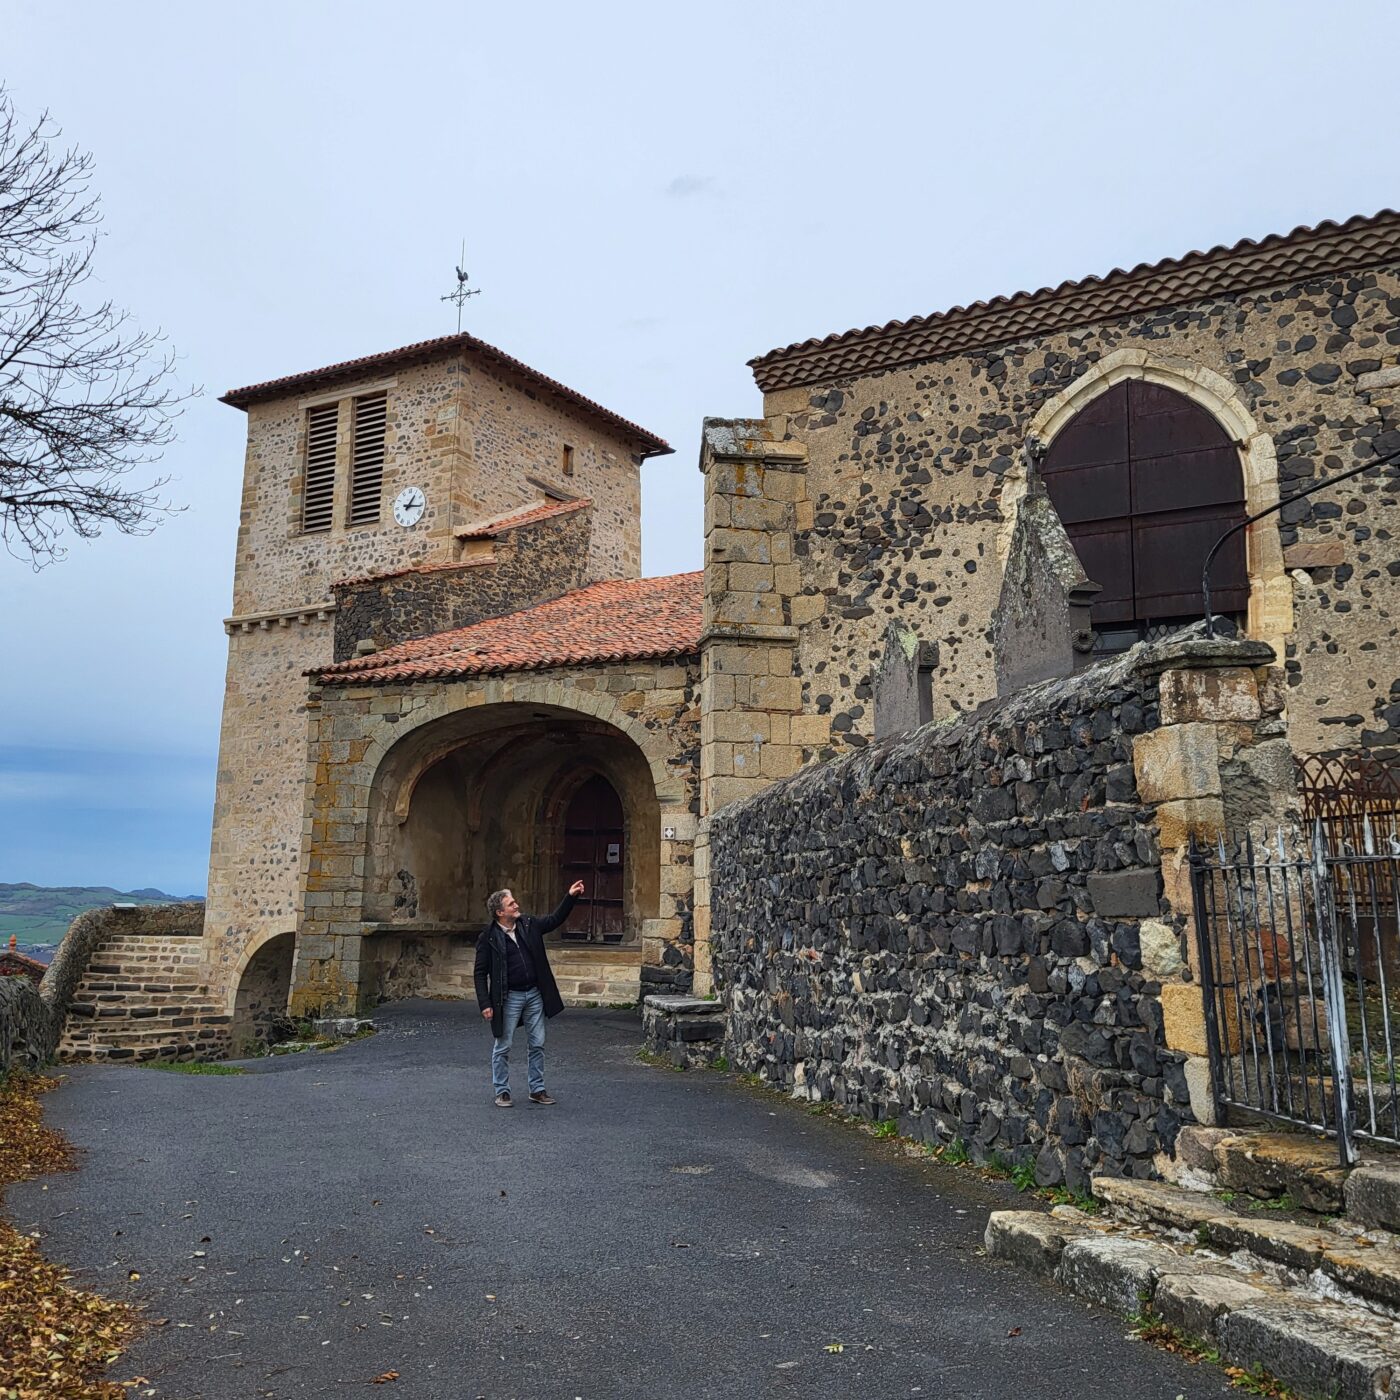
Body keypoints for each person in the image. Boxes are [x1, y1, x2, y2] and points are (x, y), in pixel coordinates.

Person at [473, 881, 584, 1107]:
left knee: (537, 1043)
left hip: (534, 994)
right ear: (500, 912)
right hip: (508, 997)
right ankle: (502, 1091)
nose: (516, 905)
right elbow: (479, 973)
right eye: (511, 903)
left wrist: (570, 896)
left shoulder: (528, 924)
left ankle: (537, 1089)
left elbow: (554, 920)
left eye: (514, 901)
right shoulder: (489, 937)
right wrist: (485, 1003)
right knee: (503, 1045)